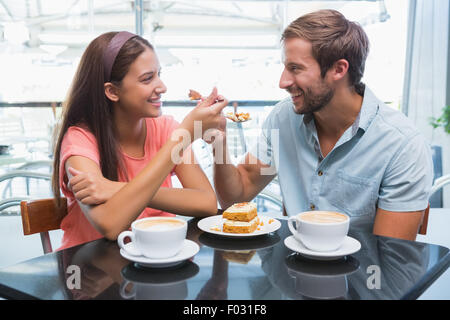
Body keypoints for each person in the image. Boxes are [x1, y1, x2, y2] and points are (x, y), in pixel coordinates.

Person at [209, 10, 433, 241]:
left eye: (295, 68)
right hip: (291, 268)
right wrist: (219, 143)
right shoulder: (282, 118)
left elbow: (389, 258)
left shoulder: (402, 145)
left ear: (338, 69)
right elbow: (235, 198)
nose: (282, 82)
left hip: (359, 275)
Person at [52, 31, 228, 250]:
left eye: (159, 74)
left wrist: (114, 188)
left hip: (155, 261)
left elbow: (207, 203)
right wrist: (184, 136)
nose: (162, 87)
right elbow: (111, 225)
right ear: (112, 91)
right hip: (90, 271)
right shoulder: (79, 140)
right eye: (147, 78)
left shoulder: (166, 129)